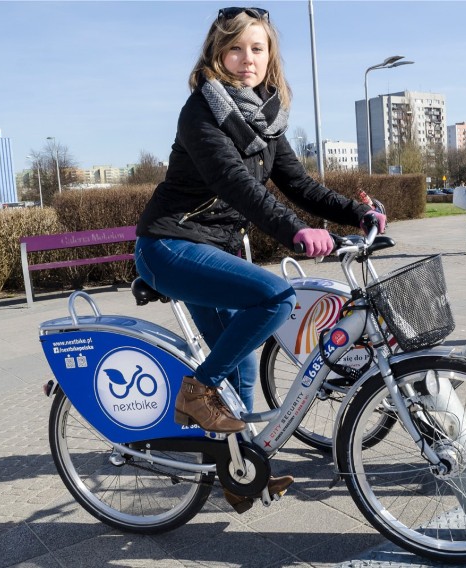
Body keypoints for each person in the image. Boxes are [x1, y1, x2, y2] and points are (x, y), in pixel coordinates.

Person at [134, 6, 386, 512]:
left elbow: (298, 183)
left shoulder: (265, 118)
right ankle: (195, 390)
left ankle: (239, 468)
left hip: (212, 248)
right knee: (275, 298)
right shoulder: (201, 112)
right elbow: (238, 186)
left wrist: (355, 213)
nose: (247, 58)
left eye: (257, 47)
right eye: (235, 47)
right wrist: (296, 231)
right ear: (216, 53)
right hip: (170, 245)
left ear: (270, 55)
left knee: (245, 363)